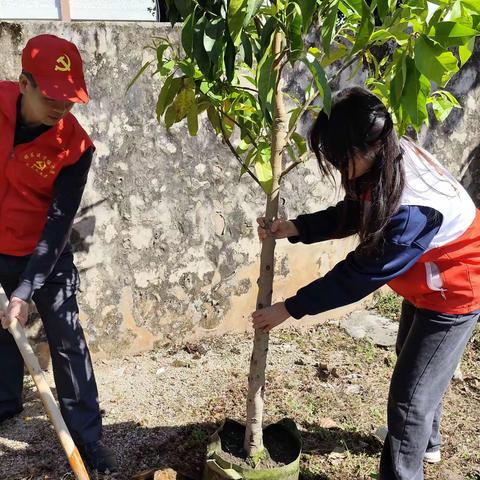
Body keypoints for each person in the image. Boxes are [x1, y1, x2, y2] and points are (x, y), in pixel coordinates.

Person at [253, 86, 480, 480]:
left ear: (365, 147)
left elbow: (357, 276)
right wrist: (296, 227)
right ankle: (427, 444)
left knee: (409, 400)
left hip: (455, 288)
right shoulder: (384, 155)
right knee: (416, 365)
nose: (339, 168)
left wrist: (288, 308)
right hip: (425, 279)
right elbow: (357, 212)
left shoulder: (410, 209)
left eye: (340, 158)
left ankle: (405, 465)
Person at [0, 34, 117, 474]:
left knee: (67, 341)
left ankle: (88, 439)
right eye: (51, 97)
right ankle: (5, 402)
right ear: (24, 82)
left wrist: (27, 287)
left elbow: (58, 222)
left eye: (69, 101)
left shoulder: (74, 146)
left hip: (45, 255)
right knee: (2, 330)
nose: (60, 109)